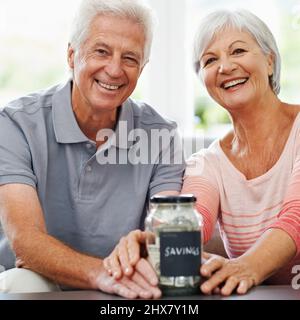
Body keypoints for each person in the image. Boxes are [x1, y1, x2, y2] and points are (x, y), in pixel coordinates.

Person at [104, 9, 300, 296]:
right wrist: (152, 245)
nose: (225, 66)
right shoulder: (207, 163)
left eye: (238, 51)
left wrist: (246, 266)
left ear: (270, 61)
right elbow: (191, 221)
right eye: (210, 60)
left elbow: (296, 216)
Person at [0, 0, 185, 299]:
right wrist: (101, 274)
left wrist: (143, 254)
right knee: (23, 283)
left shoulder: (161, 134)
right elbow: (26, 240)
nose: (114, 70)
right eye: (101, 51)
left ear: (143, 67)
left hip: (122, 281)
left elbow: (167, 233)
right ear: (72, 55)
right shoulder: (16, 123)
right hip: (43, 280)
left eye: (130, 58)